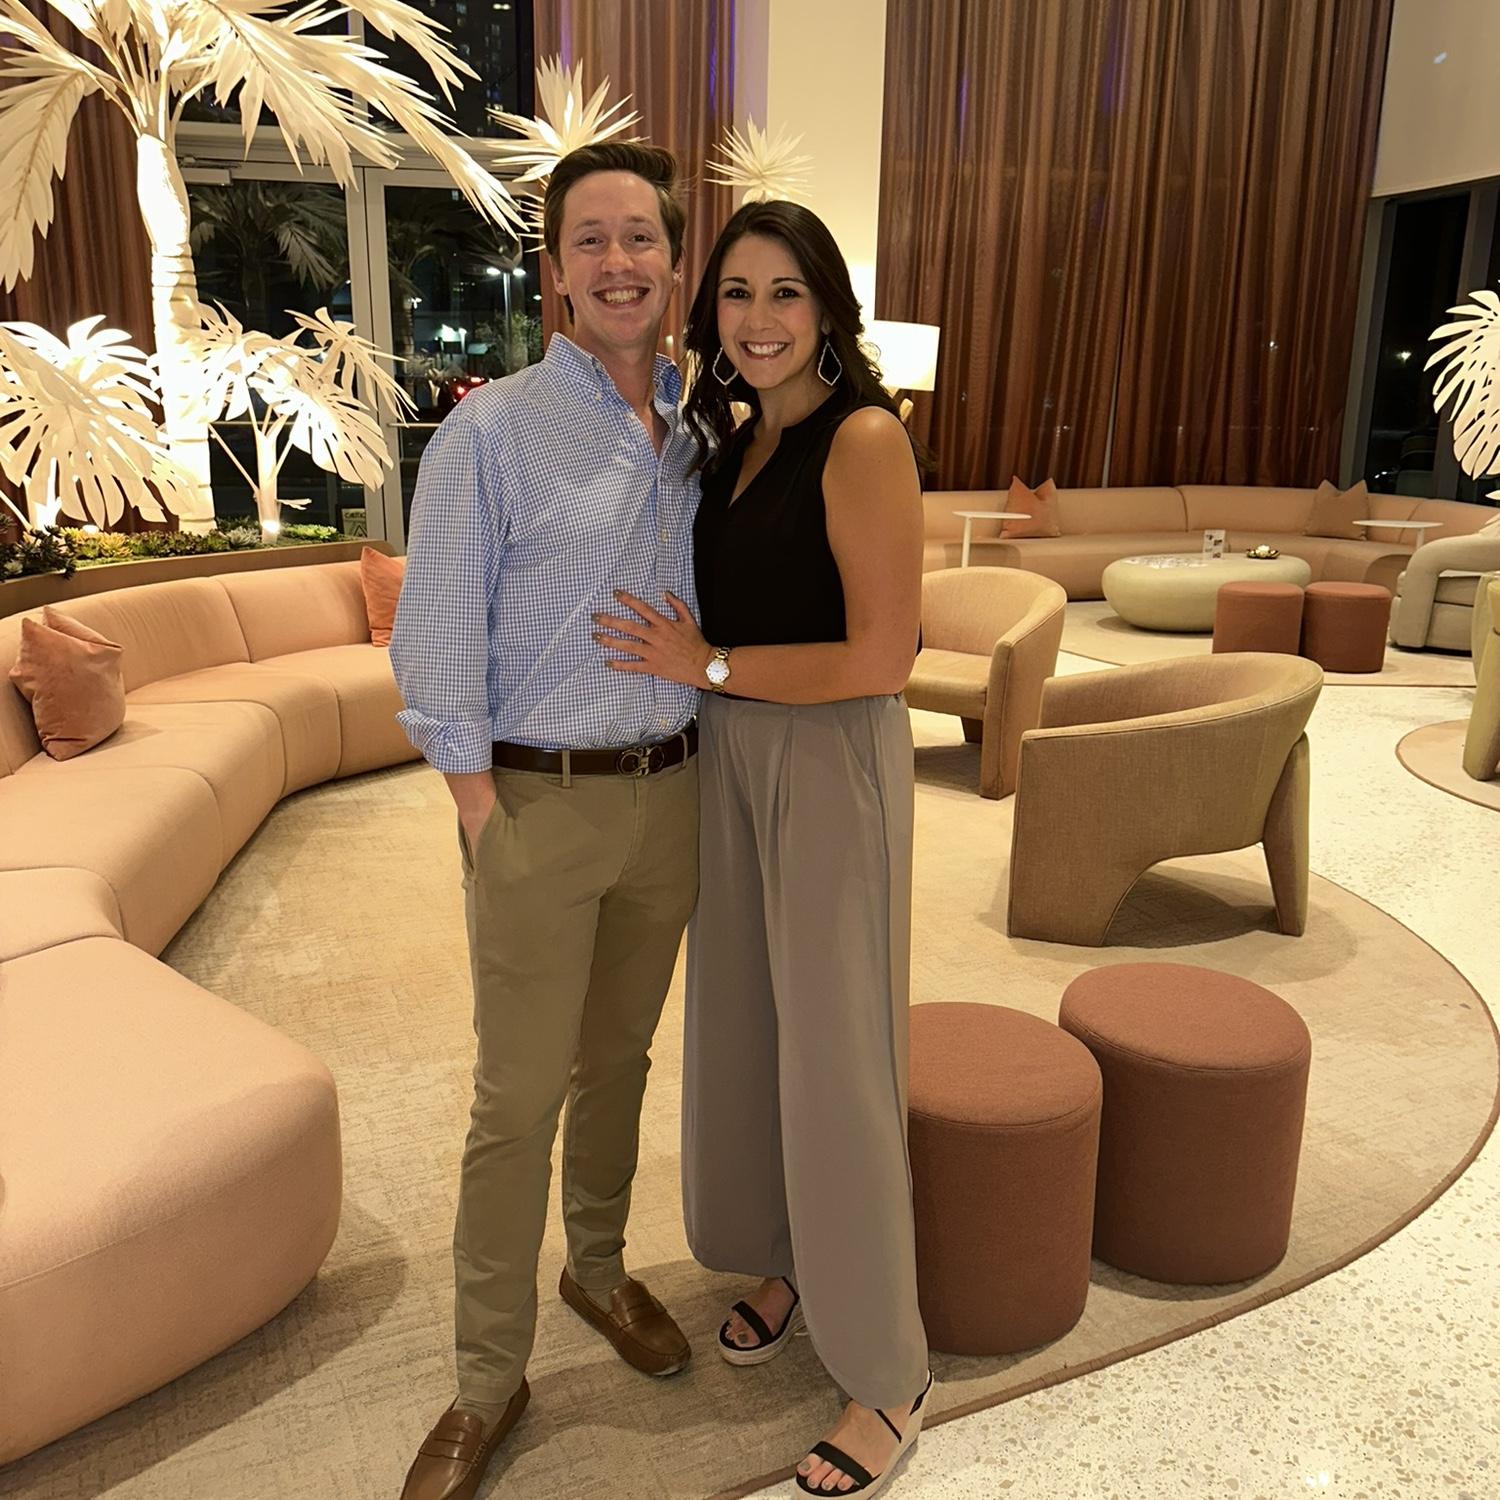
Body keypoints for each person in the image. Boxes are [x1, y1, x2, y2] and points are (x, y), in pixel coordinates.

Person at [592, 199, 932, 1497]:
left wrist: (713, 665)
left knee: (839, 1054)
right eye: (736, 293)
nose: (759, 318)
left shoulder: (864, 440)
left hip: (831, 761)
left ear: (828, 306)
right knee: (752, 1028)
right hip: (732, 757)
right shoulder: (735, 441)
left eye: (785, 291)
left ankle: (889, 1370)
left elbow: (884, 657)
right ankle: (792, 1255)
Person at [388, 142, 703, 1500]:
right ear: (556, 269)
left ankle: (598, 1268)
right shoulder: (494, 429)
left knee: (618, 1060)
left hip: (674, 799)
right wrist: (479, 807)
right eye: (592, 239)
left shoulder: (701, 425)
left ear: (676, 263)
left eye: (642, 237)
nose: (619, 261)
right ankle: (484, 1382)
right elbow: (433, 632)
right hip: (536, 802)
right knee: (513, 1099)